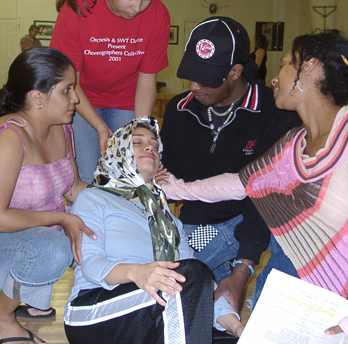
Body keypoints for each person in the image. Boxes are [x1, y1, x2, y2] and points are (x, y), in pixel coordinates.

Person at [163, 29, 348, 343]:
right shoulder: (296, 144)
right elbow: (241, 183)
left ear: (310, 69)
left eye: (284, 65)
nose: (275, 78)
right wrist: (173, 188)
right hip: (333, 292)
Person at [159, 17, 301, 314]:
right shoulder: (179, 110)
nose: (194, 86)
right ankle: (218, 294)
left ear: (235, 72)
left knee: (177, 280)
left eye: (205, 78)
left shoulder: (273, 112)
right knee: (167, 277)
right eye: (190, 75)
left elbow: (264, 196)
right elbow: (169, 175)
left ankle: (226, 286)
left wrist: (243, 267)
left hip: (247, 221)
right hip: (197, 221)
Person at [64, 116, 244, 344]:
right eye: (137, 142)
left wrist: (238, 328)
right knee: (189, 275)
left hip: (154, 307)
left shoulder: (168, 219)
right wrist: (137, 273)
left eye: (155, 146)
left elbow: (198, 284)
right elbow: (90, 264)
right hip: (94, 310)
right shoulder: (93, 198)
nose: (150, 147)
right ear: (117, 152)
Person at [0, 47, 96, 344]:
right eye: (67, 89)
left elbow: (73, 188)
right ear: (37, 97)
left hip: (29, 238)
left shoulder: (61, 127)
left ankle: (37, 297)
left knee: (98, 227)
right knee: (55, 247)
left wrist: (125, 196)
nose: (76, 98)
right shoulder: (9, 137)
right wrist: (61, 218)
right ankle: (0, 317)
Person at [50, 0, 170, 184]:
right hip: (80, 99)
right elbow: (70, 83)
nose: (137, 8)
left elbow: (147, 81)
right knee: (87, 176)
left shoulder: (158, 15)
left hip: (126, 99)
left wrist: (140, 128)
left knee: (129, 175)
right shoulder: (78, 10)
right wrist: (99, 126)